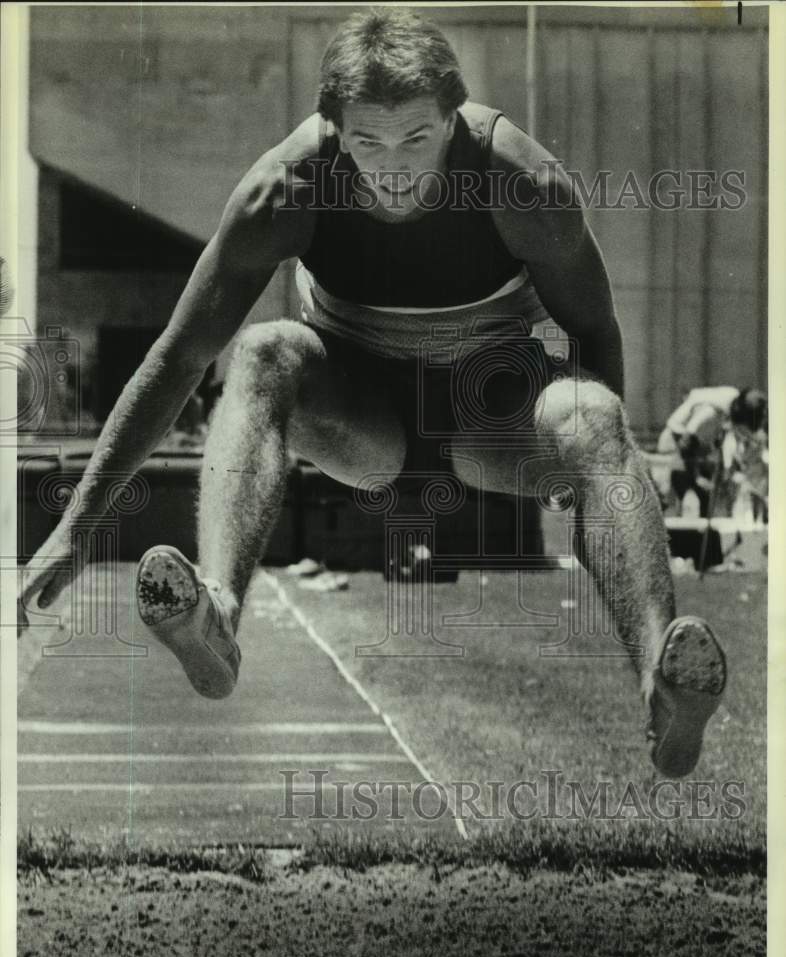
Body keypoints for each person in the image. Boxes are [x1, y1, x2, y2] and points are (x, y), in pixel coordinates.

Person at [18, 8, 727, 779]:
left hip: (488, 415)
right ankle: (215, 611)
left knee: (592, 415)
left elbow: (596, 332)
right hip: (365, 417)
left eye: (416, 139)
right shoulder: (283, 191)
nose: (392, 167)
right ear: (333, 127)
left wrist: (583, 476)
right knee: (261, 352)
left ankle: (663, 671)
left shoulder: (523, 183)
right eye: (367, 142)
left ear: (453, 118)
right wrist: (77, 529)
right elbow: (179, 356)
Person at [656, 385, 768, 518]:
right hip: (674, 446)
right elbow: (686, 443)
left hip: (691, 446)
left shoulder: (733, 399)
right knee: (682, 501)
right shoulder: (712, 414)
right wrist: (697, 475)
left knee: (705, 499)